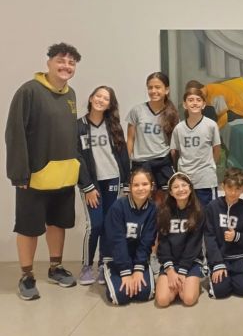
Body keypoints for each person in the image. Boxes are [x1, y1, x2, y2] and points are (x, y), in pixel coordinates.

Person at [6, 42, 82, 300]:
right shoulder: (29, 91)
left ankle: (55, 267)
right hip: (34, 177)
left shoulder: (71, 95)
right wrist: (19, 173)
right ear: (48, 62)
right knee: (28, 227)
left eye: (71, 63)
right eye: (61, 60)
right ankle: (26, 276)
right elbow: (14, 133)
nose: (66, 66)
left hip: (64, 176)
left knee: (58, 223)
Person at [77, 85, 130, 285]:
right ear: (91, 98)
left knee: (109, 223)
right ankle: (86, 266)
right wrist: (87, 187)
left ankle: (103, 264)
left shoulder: (113, 126)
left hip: (113, 179)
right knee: (95, 225)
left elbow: (123, 156)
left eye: (106, 98)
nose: (101, 100)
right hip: (92, 183)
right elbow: (76, 158)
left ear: (109, 105)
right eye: (98, 96)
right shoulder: (79, 126)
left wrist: (126, 183)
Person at [103, 168, 157, 305]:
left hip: (137, 258)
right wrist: (125, 272)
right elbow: (117, 241)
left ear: (151, 186)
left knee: (145, 293)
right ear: (130, 187)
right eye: (136, 185)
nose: (141, 188)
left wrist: (138, 269)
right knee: (120, 296)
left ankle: (139, 270)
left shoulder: (153, 209)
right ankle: (108, 271)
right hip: (115, 258)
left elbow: (147, 241)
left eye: (145, 184)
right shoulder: (118, 207)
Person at [205, 167, 243, 298]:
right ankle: (214, 271)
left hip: (239, 257)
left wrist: (236, 236)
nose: (233, 192)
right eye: (229, 188)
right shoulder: (212, 207)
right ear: (223, 186)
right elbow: (209, 237)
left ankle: (242, 276)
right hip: (219, 257)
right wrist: (217, 263)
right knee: (220, 291)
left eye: (237, 189)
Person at [155, 172, 204, 307]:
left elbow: (194, 244)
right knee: (163, 300)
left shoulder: (199, 212)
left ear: (190, 188)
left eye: (184, 185)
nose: (181, 189)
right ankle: (177, 285)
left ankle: (194, 284)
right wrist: (170, 270)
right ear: (171, 192)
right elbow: (163, 243)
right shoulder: (163, 211)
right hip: (171, 262)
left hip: (191, 262)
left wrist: (182, 271)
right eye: (176, 187)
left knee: (188, 299)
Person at [126, 72, 178, 198]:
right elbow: (130, 139)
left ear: (166, 90)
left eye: (158, 87)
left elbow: (174, 145)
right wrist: (127, 165)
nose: (153, 91)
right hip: (141, 164)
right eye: (150, 87)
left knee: (166, 202)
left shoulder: (172, 113)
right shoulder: (137, 111)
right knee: (142, 201)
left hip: (163, 163)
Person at [170, 81, 221, 206]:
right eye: (190, 100)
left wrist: (208, 166)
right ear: (184, 104)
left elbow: (217, 150)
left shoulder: (211, 125)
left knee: (208, 215)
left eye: (198, 100)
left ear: (203, 105)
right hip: (184, 182)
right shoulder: (179, 128)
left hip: (206, 181)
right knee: (187, 215)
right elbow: (174, 152)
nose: (194, 103)